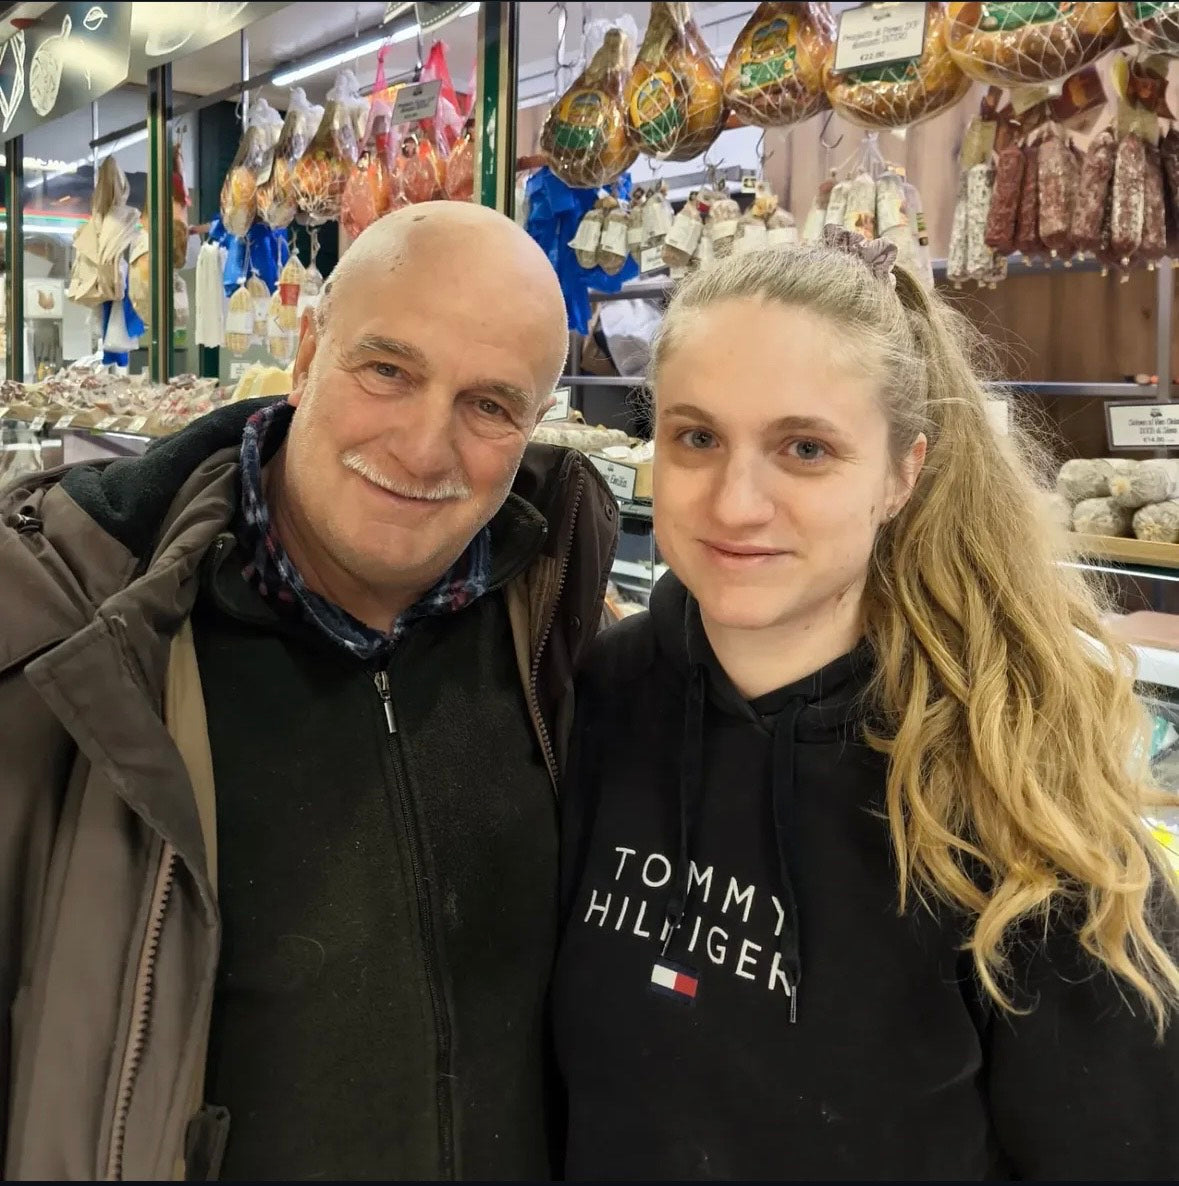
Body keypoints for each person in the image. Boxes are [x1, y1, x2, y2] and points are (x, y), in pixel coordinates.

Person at [0, 202, 617, 1180]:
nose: (424, 447)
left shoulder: (554, 627)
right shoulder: (72, 643)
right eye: (388, 370)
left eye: (490, 405)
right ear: (305, 354)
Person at [555, 229, 1179, 1181]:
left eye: (804, 448)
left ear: (901, 474)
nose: (734, 503)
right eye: (697, 438)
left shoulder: (1018, 796)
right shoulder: (593, 700)